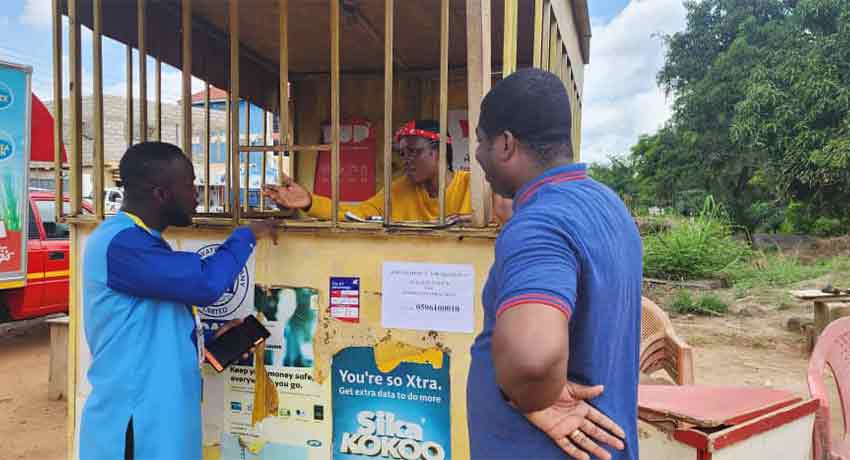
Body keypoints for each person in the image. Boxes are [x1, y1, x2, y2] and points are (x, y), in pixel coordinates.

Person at [467, 68, 642, 459]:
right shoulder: (607, 204)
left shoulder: (538, 225)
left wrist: (533, 399)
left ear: (506, 143)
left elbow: (532, 361)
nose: (476, 156)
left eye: (480, 142)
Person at [78, 142, 278, 460]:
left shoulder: (143, 240)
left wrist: (207, 344)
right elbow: (205, 283)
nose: (196, 194)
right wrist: (248, 234)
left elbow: (148, 327)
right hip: (135, 426)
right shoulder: (122, 243)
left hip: (159, 421)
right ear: (161, 194)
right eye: (189, 184)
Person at [262, 120, 471, 221]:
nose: (406, 160)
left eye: (414, 152)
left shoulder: (473, 187)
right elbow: (357, 215)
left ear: (441, 151)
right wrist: (309, 202)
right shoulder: (399, 190)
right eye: (403, 154)